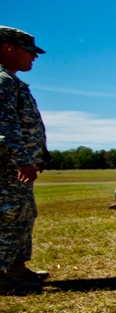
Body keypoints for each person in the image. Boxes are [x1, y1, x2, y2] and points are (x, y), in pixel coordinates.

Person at [0, 26, 50, 295]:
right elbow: (4, 128)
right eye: (29, 51)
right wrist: (21, 160)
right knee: (7, 217)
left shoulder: (12, 80)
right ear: (8, 47)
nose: (35, 57)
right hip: (7, 168)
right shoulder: (1, 80)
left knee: (22, 215)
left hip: (16, 167)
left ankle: (15, 268)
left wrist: (36, 156)